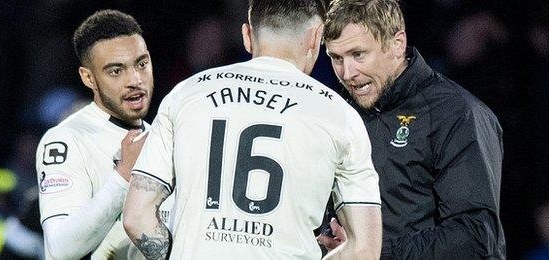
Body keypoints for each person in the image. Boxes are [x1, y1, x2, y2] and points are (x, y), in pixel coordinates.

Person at [122, 0, 383, 259]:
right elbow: (364, 250)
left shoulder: (186, 94)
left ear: (247, 35)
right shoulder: (339, 115)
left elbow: (136, 216)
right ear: (316, 38)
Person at [318, 0, 506, 259]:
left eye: (358, 54)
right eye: (336, 58)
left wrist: (372, 253)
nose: (348, 73)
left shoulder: (456, 114)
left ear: (397, 44)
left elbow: (475, 236)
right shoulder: (341, 115)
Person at [36, 9, 171, 259]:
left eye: (142, 64)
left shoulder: (161, 138)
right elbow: (60, 249)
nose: (135, 80)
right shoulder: (66, 139)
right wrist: (123, 176)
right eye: (116, 71)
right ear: (88, 78)